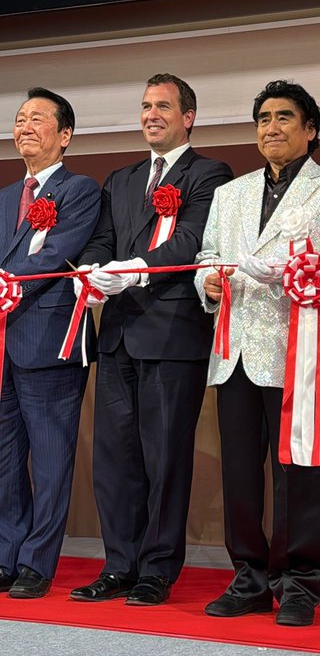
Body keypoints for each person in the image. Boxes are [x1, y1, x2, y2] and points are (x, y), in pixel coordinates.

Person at [195, 79, 320, 627]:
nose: (271, 127)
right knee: (241, 472)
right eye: (264, 118)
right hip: (236, 348)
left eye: (284, 117)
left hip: (301, 349)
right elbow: (207, 255)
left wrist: (297, 270)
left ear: (310, 130)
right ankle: (248, 577)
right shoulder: (231, 193)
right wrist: (209, 283)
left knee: (300, 472)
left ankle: (299, 583)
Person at [70, 74, 231, 606]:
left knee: (164, 459)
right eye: (145, 106)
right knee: (115, 460)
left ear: (188, 117)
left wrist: (136, 269)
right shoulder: (121, 177)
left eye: (163, 106)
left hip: (172, 334)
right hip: (115, 335)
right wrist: (92, 271)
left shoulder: (210, 175)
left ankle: (157, 570)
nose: (151, 114)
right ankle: (119, 565)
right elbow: (102, 239)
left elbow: (191, 240)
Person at [0, 87, 101, 598]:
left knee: (52, 456)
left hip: (50, 342)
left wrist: (3, 281)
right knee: (4, 457)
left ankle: (39, 562)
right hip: (2, 347)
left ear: (65, 135)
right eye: (19, 119)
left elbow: (56, 254)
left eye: (37, 119)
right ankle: (6, 555)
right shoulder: (2, 198)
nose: (24, 127)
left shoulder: (80, 191)